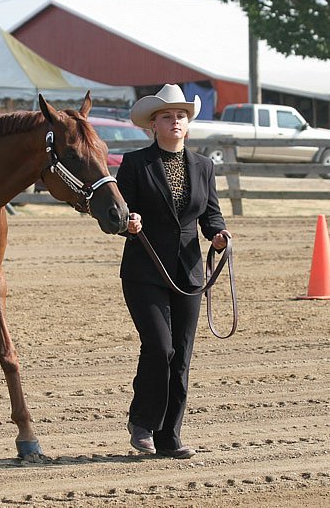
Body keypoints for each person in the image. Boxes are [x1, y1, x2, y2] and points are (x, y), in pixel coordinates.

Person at [116, 84, 231, 459]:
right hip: (144, 269)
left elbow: (210, 215)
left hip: (188, 273)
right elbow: (119, 212)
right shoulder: (135, 164)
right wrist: (128, 222)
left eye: (181, 116)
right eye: (167, 116)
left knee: (181, 355)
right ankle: (143, 422)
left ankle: (169, 437)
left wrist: (218, 235)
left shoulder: (204, 166)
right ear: (154, 124)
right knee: (159, 347)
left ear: (188, 123)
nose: (175, 121)